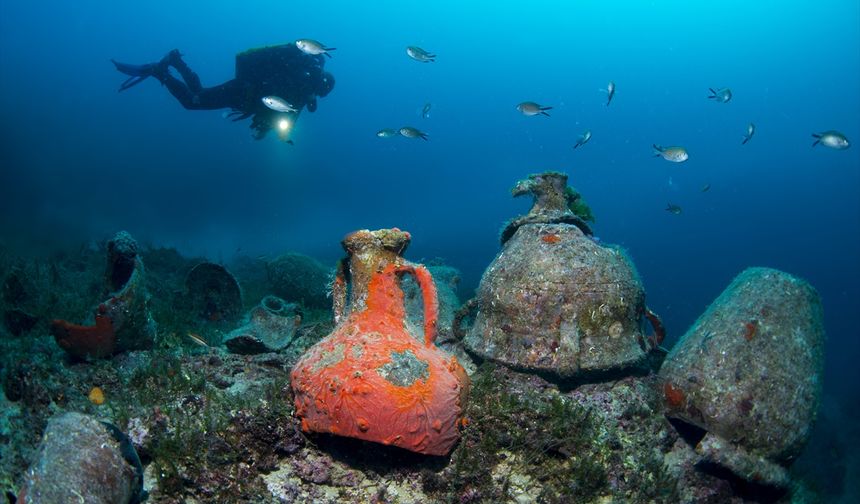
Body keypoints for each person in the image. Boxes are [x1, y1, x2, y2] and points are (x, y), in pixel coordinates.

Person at [112, 43, 335, 140]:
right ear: (321, 86)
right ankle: (159, 71)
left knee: (198, 93)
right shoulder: (301, 86)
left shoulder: (300, 87)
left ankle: (175, 61)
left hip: (242, 93)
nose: (319, 96)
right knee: (193, 101)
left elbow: (282, 114)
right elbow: (285, 116)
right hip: (242, 92)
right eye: (323, 92)